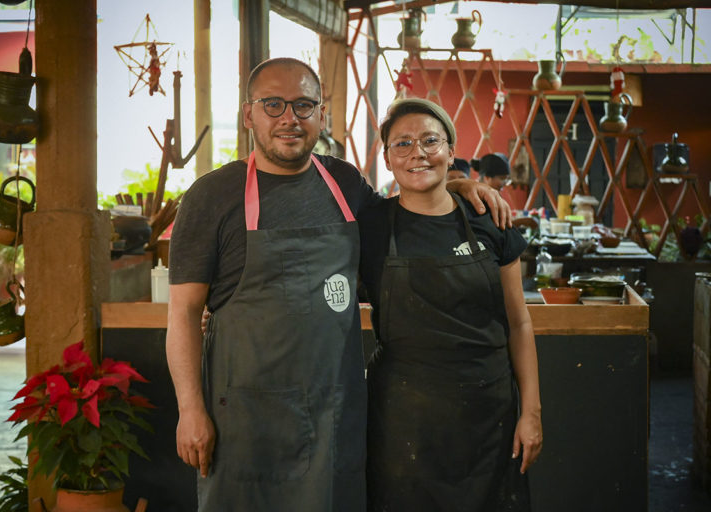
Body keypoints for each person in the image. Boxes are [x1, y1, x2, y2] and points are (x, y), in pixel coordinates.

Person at [165, 57, 511, 511]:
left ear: (322, 115)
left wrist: (461, 185)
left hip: (335, 415)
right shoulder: (211, 197)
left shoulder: (345, 184)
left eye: (304, 105)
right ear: (248, 114)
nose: (290, 118)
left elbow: (408, 207)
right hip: (246, 420)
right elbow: (184, 313)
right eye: (273, 105)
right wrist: (190, 410)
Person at [358, 98, 542, 511]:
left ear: (451, 150)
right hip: (404, 421)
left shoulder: (489, 218)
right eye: (402, 144)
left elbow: (519, 324)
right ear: (387, 159)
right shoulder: (368, 229)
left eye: (430, 141)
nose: (417, 153)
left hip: (489, 415)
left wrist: (530, 412)